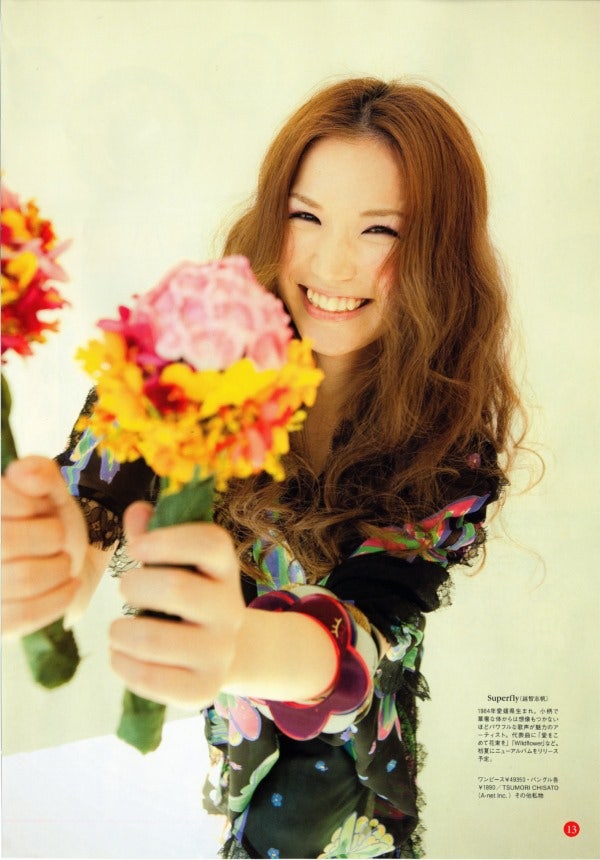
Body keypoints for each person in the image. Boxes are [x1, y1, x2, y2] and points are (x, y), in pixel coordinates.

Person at [2, 77, 524, 858]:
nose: (333, 263)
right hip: (237, 746)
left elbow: (365, 633)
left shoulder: (447, 440)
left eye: (381, 230)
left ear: (436, 253)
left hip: (355, 778)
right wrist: (53, 553)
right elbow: (96, 489)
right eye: (305, 215)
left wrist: (235, 648)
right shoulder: (190, 353)